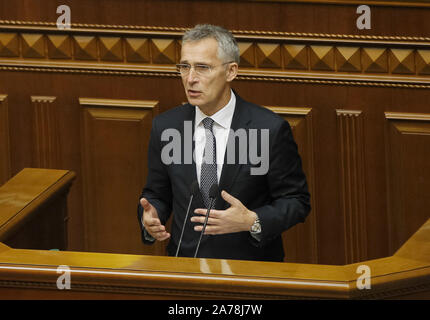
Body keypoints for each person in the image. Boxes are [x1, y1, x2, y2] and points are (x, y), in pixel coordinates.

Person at [138, 24, 310, 262]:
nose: (190, 79)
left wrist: (252, 220)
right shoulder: (166, 127)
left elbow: (296, 201)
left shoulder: (269, 129)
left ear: (231, 71)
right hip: (185, 266)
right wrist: (151, 216)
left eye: (203, 68)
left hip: (249, 269)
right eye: (184, 67)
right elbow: (157, 193)